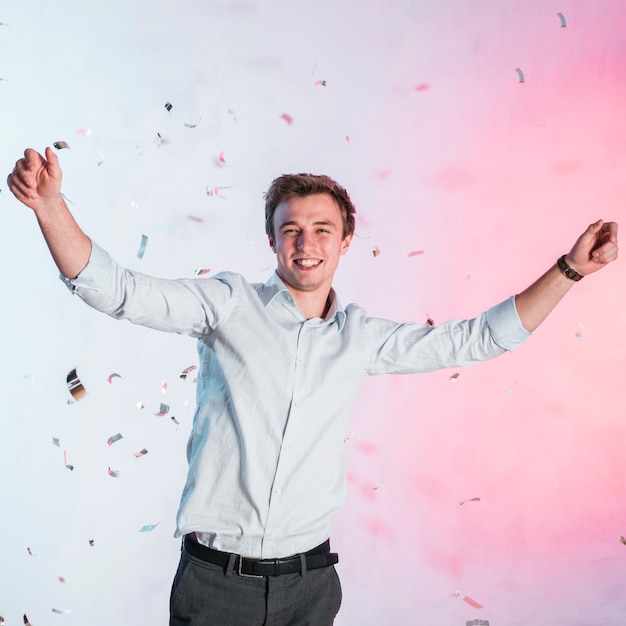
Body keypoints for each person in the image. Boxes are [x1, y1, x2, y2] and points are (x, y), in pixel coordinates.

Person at [7, 147, 619, 626]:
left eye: (323, 229)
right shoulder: (226, 305)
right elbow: (114, 289)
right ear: (272, 239)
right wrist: (51, 206)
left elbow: (480, 339)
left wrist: (569, 271)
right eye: (291, 229)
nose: (307, 243)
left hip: (312, 585)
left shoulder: (361, 337)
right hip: (216, 585)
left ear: (346, 240)